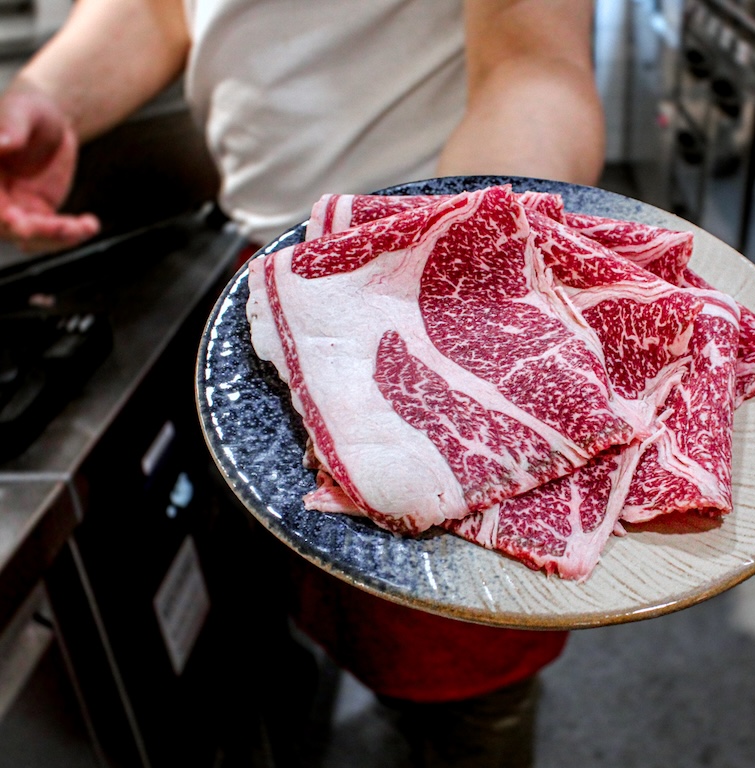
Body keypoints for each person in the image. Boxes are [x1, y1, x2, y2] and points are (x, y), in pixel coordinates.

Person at [0, 1, 605, 765]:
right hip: (257, 274)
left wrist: (455, 256)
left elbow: (532, 59)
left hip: (422, 288)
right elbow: (159, 10)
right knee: (303, 595)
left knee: (458, 657)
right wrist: (47, 94)